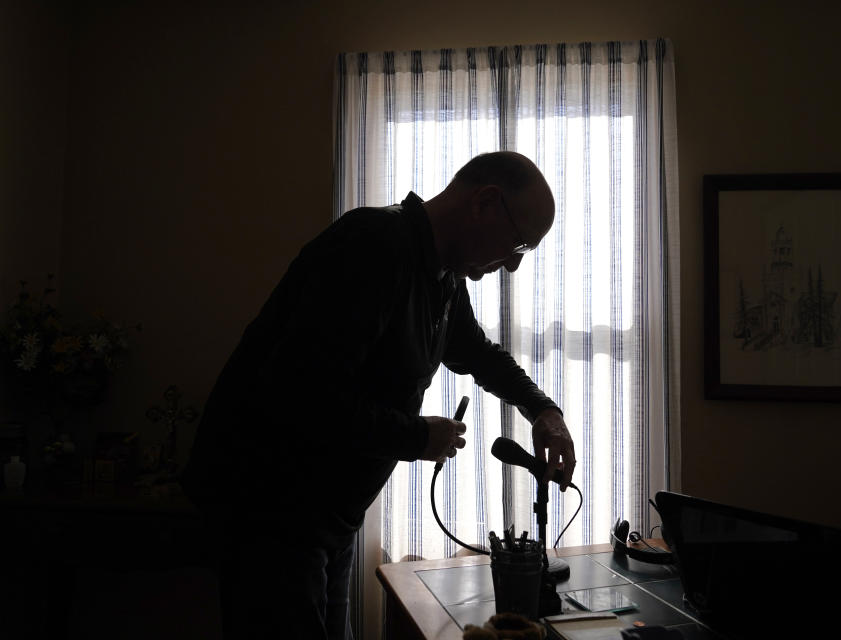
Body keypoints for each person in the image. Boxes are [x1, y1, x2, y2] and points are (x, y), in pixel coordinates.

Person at [181, 151, 577, 640]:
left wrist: (544, 410)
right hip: (272, 514)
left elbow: (478, 354)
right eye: (518, 245)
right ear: (486, 202)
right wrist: (417, 437)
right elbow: (301, 396)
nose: (513, 265)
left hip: (329, 517)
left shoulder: (442, 274)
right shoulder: (373, 245)